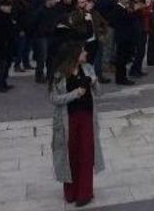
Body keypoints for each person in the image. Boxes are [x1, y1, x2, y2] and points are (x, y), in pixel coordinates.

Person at [50, 42, 105, 207]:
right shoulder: (60, 74)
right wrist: (75, 94)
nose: (86, 53)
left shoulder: (88, 68)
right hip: (68, 120)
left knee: (86, 154)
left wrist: (95, 82)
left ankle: (85, 193)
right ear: (74, 54)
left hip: (87, 118)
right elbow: (54, 99)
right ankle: (71, 191)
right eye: (82, 52)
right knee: (70, 155)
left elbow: (99, 94)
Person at [0, 0, 16, 92]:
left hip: (8, 44)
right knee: (0, 66)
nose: (10, 8)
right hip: (1, 45)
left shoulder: (7, 16)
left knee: (6, 65)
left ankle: (3, 82)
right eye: (8, 6)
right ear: (2, 6)